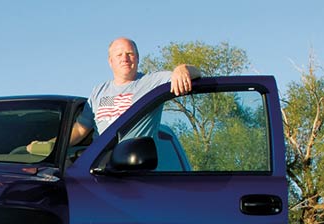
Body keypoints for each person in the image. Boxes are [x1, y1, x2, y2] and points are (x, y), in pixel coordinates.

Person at [29, 37, 201, 155]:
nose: (124, 58)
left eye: (130, 54)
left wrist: (182, 69)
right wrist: (51, 145)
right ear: (110, 61)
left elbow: (196, 72)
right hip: (97, 166)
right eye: (119, 55)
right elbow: (81, 129)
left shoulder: (152, 82)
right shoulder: (98, 91)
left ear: (137, 58)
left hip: (133, 168)